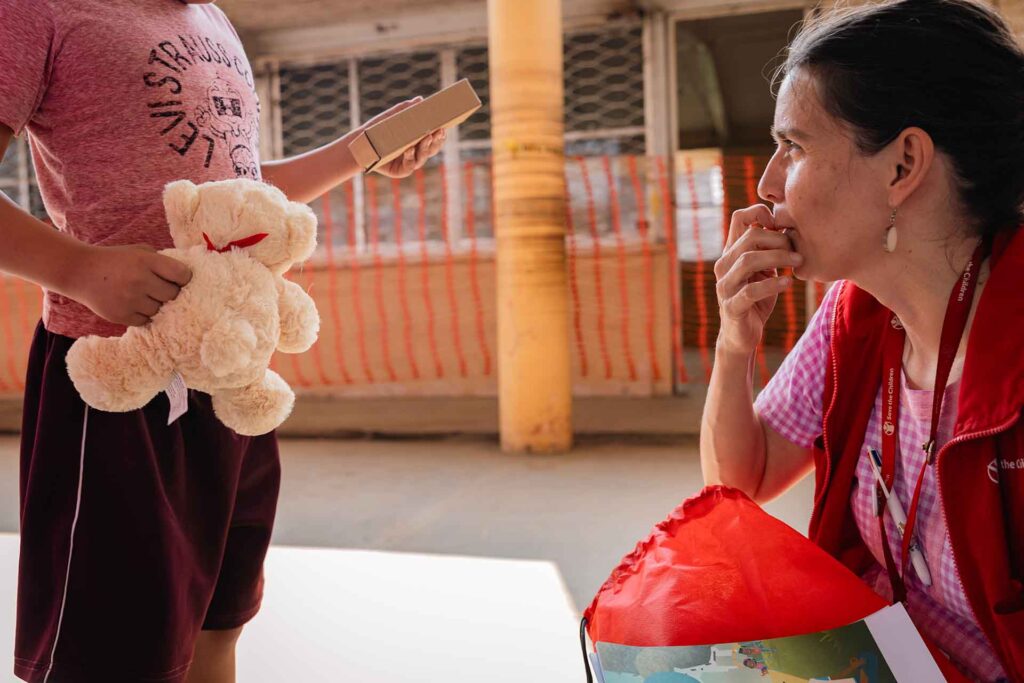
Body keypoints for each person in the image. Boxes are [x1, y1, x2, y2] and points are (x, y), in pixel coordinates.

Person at [0, 1, 444, 681]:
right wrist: (77, 268)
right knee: (112, 658)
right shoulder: (42, 10)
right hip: (116, 378)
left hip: (231, 378)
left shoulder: (211, 20)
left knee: (219, 625)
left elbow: (239, 191)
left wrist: (363, 149)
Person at [700, 1, 1024, 681]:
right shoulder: (857, 315)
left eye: (794, 148)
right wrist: (735, 346)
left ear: (903, 165)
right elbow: (741, 480)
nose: (765, 185)